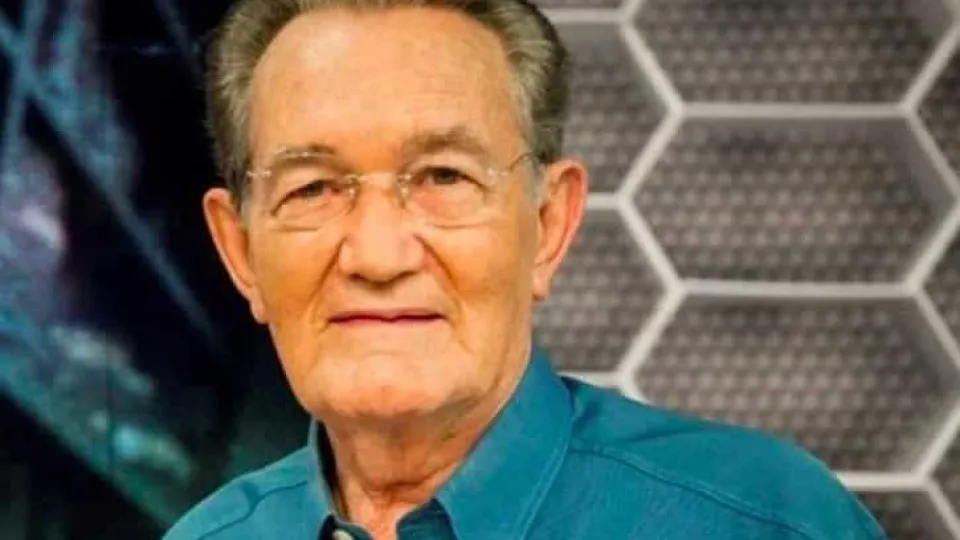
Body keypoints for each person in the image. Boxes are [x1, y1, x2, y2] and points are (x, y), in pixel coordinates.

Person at [164, 0, 887, 538]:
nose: (378, 256)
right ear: (241, 251)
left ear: (549, 225)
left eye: (443, 177)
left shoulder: (766, 522)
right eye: (313, 188)